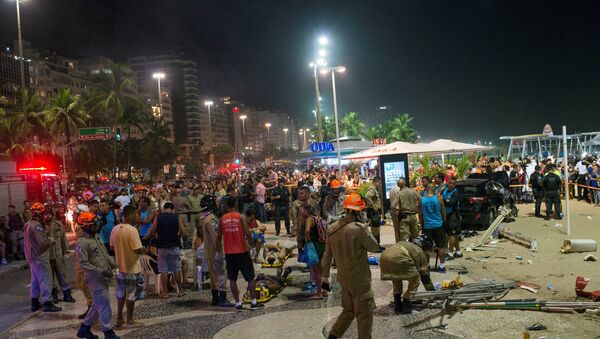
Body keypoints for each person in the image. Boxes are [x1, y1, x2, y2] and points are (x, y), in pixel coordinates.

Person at [321, 193, 379, 339]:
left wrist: (325, 277)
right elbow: (374, 247)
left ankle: (333, 336)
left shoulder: (332, 228)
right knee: (364, 314)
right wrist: (365, 227)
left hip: (344, 279)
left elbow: (327, 256)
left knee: (348, 310)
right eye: (361, 211)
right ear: (356, 211)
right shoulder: (358, 229)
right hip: (360, 280)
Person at [75, 212, 119, 339]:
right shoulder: (82, 243)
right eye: (94, 224)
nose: (97, 226)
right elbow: (84, 264)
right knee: (104, 304)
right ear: (86, 226)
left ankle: (84, 328)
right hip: (94, 278)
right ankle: (108, 332)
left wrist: (114, 265)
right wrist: (100, 271)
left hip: (104, 276)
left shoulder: (97, 237)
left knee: (97, 304)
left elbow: (105, 255)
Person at [216, 197, 263, 311]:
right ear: (236, 204)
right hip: (242, 251)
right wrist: (252, 247)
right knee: (250, 277)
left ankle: (237, 303)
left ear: (226, 205)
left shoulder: (222, 219)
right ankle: (253, 301)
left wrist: (218, 252)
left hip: (229, 253)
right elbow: (247, 233)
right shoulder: (241, 217)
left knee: (232, 279)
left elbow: (218, 238)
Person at [110, 205, 146, 329]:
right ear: (130, 214)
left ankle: (119, 318)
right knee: (131, 294)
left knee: (120, 294)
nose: (138, 216)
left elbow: (111, 247)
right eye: (136, 214)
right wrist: (144, 249)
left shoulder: (115, 229)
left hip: (120, 267)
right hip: (132, 267)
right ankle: (129, 320)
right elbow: (137, 249)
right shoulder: (132, 230)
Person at [380, 235, 435, 314]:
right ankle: (407, 303)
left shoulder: (405, 243)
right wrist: (432, 292)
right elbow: (424, 275)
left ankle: (397, 304)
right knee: (415, 279)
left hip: (385, 256)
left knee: (396, 278)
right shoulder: (419, 251)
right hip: (399, 258)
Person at [24, 202, 62, 312]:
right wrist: (50, 240)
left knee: (35, 279)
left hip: (31, 256)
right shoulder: (36, 226)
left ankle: (34, 302)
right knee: (46, 278)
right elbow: (43, 243)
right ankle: (47, 302)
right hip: (39, 255)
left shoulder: (28, 224)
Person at [143, 202, 186, 298]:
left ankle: (165, 293)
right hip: (174, 246)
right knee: (177, 269)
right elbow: (183, 231)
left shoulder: (158, 217)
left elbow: (151, 231)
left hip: (162, 247)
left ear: (164, 209)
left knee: (164, 270)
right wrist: (178, 236)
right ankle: (180, 291)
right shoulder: (177, 217)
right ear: (172, 209)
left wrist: (144, 238)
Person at [200, 195, 234, 307]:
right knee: (220, 275)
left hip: (208, 252)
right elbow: (216, 238)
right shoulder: (212, 219)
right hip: (215, 252)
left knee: (213, 277)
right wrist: (219, 252)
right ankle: (222, 299)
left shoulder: (205, 218)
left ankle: (215, 299)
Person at [44, 208, 76, 304]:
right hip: (47, 255)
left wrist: (66, 252)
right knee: (50, 277)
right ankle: (54, 295)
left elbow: (63, 239)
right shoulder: (41, 226)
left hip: (58, 253)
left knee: (61, 274)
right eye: (46, 214)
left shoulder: (58, 224)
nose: (48, 216)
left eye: (49, 214)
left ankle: (66, 294)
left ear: (53, 215)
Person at [301, 202, 326, 300]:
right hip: (323, 244)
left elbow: (307, 230)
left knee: (318, 271)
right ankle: (325, 291)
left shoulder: (309, 219)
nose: (300, 211)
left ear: (307, 210)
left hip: (315, 246)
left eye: (302, 209)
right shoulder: (317, 217)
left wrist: (307, 239)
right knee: (323, 271)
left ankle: (319, 293)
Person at [420, 184, 447, 273]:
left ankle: (427, 265)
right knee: (441, 246)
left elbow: (420, 214)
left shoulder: (422, 200)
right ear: (434, 189)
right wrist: (444, 221)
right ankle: (442, 266)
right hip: (438, 225)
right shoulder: (438, 198)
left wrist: (421, 224)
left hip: (427, 226)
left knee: (427, 247)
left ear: (426, 189)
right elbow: (443, 212)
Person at [393, 178, 421, 242]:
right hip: (413, 216)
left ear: (398, 185)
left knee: (405, 237)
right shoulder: (413, 191)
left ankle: (406, 250)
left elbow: (393, 205)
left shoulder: (399, 194)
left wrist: (396, 213)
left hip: (404, 217)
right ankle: (416, 249)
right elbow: (420, 199)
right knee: (416, 235)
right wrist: (418, 208)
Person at [442, 177, 462, 259]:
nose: (450, 185)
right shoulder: (445, 191)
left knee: (452, 235)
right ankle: (458, 251)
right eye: (449, 183)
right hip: (446, 215)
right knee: (452, 234)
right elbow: (442, 200)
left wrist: (444, 201)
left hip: (453, 216)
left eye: (453, 183)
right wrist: (445, 201)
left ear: (455, 184)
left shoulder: (455, 192)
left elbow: (451, 203)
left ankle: (450, 253)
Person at [364, 176, 385, 252]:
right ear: (375, 182)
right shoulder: (372, 189)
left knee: (377, 229)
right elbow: (367, 196)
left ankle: (377, 245)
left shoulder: (374, 189)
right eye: (379, 183)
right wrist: (374, 207)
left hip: (376, 212)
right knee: (375, 230)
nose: (380, 184)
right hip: (374, 213)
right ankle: (375, 247)